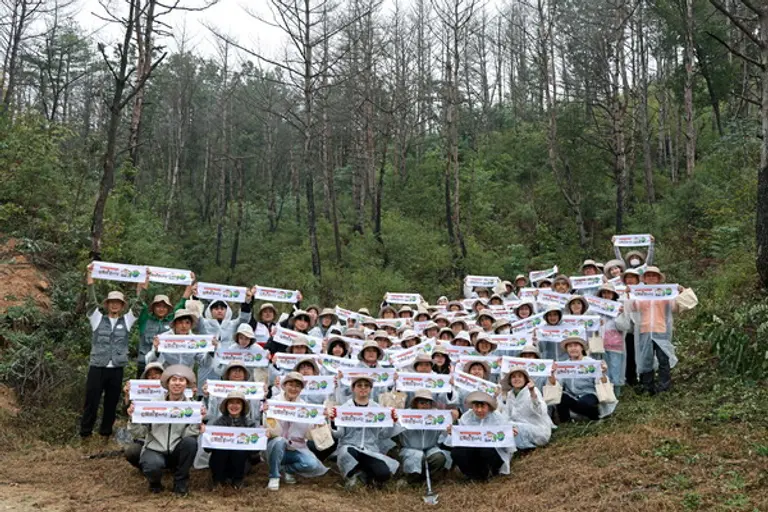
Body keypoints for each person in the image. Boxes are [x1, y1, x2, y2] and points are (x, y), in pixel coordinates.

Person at [80, 264, 143, 439]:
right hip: (97, 367)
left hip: (116, 368)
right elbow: (91, 302)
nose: (115, 305)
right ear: (107, 304)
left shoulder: (127, 321)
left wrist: (143, 288)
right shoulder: (97, 318)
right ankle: (85, 433)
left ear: (122, 306)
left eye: (118, 303)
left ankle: (105, 433)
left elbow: (138, 308)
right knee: (91, 401)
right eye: (112, 302)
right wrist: (90, 279)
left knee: (111, 403)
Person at [127, 365, 203, 496]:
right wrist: (133, 417)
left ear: (186, 384)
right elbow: (139, 432)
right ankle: (154, 482)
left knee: (190, 443)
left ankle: (180, 483)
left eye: (181, 380)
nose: (177, 383)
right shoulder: (153, 404)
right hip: (155, 449)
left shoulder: (193, 407)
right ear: (167, 383)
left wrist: (197, 422)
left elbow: (190, 435)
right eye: (174, 380)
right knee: (152, 466)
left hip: (176, 450)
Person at [624, 267, 697, 394]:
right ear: (645, 279)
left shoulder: (666, 294)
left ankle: (664, 387)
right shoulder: (639, 295)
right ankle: (647, 387)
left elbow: (679, 306)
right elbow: (631, 307)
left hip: (661, 330)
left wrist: (681, 291)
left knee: (663, 359)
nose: (651, 278)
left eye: (654, 276)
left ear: (658, 279)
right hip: (644, 330)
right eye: (648, 276)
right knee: (645, 360)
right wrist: (628, 294)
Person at [329, 375, 400, 489]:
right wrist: (333, 421)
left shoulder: (378, 409)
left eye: (366, 385)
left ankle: (362, 476)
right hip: (350, 448)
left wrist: (392, 422)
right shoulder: (345, 408)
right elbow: (339, 434)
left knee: (384, 474)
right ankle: (353, 476)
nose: (363, 388)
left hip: (370, 450)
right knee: (347, 453)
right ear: (353, 388)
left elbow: (383, 435)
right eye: (359, 385)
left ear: (371, 389)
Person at [264, 372, 329, 491]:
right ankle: (274, 476)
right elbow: (269, 430)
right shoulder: (273, 403)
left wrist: (319, 421)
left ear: (301, 389)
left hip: (296, 448)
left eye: (297, 386)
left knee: (311, 464)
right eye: (291, 384)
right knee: (279, 441)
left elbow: (308, 435)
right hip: (274, 447)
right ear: (284, 386)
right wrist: (266, 413)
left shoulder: (305, 407)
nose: (294, 388)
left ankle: (287, 470)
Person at [450, 391, 514, 481]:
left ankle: (490, 472)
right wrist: (453, 429)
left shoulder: (498, 418)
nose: (479, 410)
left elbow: (508, 445)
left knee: (485, 449)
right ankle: (472, 475)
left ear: (488, 406)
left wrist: (510, 435)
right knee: (456, 452)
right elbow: (460, 436)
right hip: (473, 452)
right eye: (476, 406)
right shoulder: (466, 417)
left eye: (482, 406)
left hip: (493, 453)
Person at [548, 337, 608, 423]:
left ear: (582, 348)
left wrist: (602, 372)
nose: (573, 348)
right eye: (570, 346)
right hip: (571, 395)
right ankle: (566, 423)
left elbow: (602, 382)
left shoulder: (591, 363)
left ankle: (595, 416)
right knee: (559, 398)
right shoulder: (563, 365)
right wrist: (552, 374)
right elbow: (557, 384)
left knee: (584, 403)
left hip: (589, 393)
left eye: (576, 345)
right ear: (566, 349)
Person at [396, 390, 450, 484]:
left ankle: (430, 479)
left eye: (428, 403)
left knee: (439, 457)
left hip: (431, 448)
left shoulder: (437, 415)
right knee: (415, 459)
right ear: (415, 403)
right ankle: (411, 479)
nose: (425, 406)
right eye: (422, 403)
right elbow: (394, 430)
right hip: (410, 449)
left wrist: (448, 430)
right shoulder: (405, 415)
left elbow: (444, 434)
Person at [205, 391, 256, 489]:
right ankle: (218, 481)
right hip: (220, 462)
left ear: (243, 406)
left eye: (238, 403)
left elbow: (255, 451)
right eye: (231, 403)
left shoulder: (250, 424)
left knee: (239, 450)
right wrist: (206, 435)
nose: (234, 406)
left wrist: (261, 437)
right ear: (226, 406)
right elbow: (207, 449)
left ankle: (237, 480)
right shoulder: (217, 423)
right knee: (221, 449)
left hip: (241, 463)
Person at [123, 362, 165, 468]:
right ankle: (146, 465)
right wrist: (127, 395)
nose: (153, 376)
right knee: (132, 451)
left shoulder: (172, 392)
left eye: (157, 373)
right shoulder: (139, 395)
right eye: (149, 375)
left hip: (168, 438)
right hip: (146, 437)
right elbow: (127, 414)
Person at [500, 367, 551, 449]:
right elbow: (506, 414)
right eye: (513, 377)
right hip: (517, 428)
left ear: (525, 379)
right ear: (510, 380)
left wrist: (532, 392)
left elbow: (541, 411)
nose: (516, 379)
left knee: (511, 427)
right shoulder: (510, 394)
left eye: (520, 376)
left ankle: (527, 447)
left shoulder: (533, 390)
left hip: (537, 430)